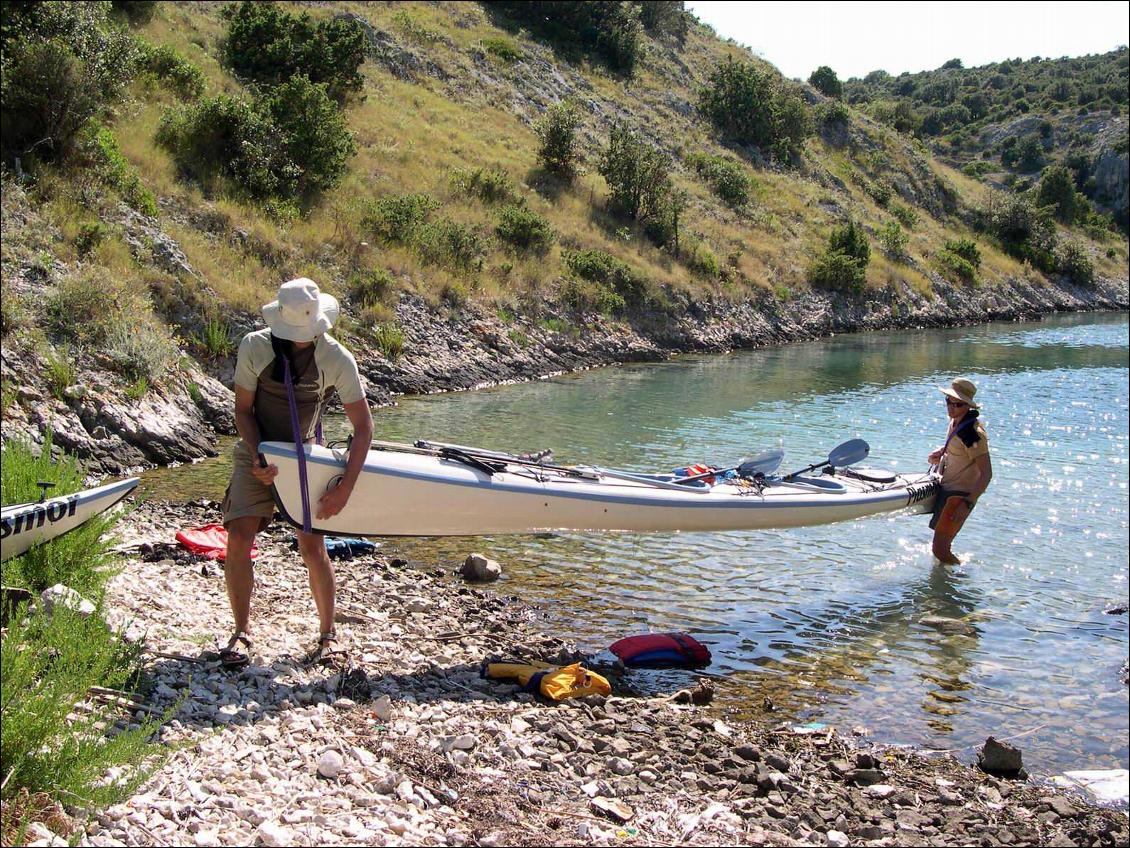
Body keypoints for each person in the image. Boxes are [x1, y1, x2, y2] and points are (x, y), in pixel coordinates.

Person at [219, 278, 373, 667]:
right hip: (256, 450)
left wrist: (343, 490)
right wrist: (257, 457)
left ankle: (328, 635)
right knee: (238, 536)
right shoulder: (254, 347)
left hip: (306, 456)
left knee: (312, 546)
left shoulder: (336, 358)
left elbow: (364, 427)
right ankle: (240, 633)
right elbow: (242, 411)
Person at [927, 378, 992, 565]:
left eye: (958, 404)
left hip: (959, 495)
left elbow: (987, 473)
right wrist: (942, 452)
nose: (951, 407)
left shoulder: (973, 434)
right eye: (949, 401)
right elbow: (960, 450)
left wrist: (967, 504)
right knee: (940, 547)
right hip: (946, 488)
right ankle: (946, 579)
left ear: (967, 406)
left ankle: (961, 573)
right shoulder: (955, 421)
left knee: (940, 549)